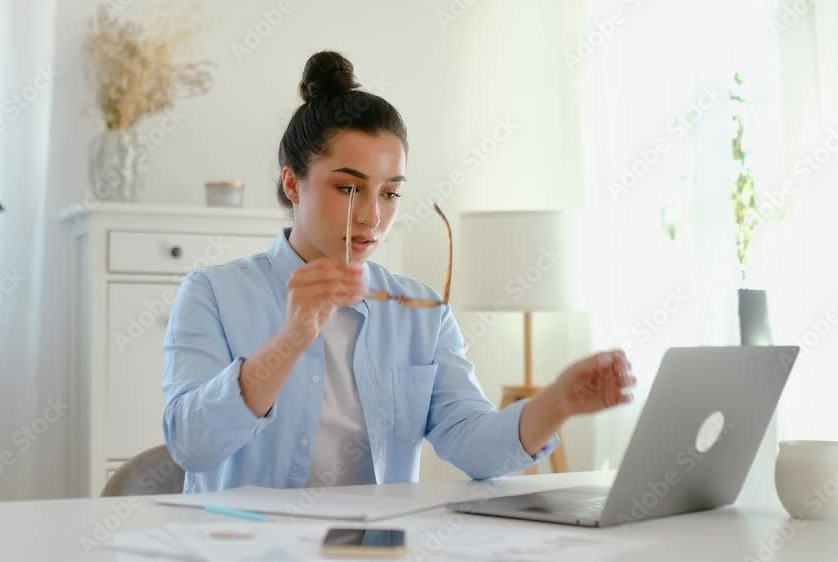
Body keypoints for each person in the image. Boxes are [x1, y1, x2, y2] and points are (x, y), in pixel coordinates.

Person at [162, 51, 635, 493]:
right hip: (245, 543)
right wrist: (291, 340)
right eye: (348, 189)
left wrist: (557, 403)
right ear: (292, 182)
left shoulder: (421, 312)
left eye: (389, 194)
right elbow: (191, 445)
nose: (372, 217)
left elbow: (473, 444)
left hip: (381, 543)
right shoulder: (212, 294)